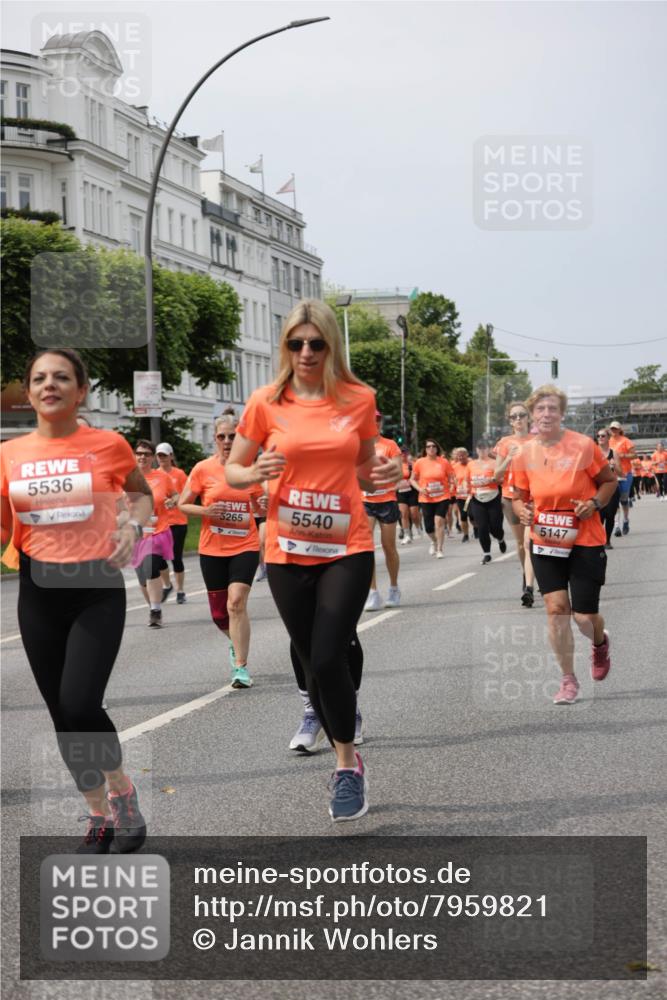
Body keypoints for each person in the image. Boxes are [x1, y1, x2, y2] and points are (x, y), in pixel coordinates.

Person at [225, 299, 399, 822]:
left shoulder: (357, 398)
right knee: (309, 663)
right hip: (286, 549)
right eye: (296, 343)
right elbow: (234, 469)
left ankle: (347, 767)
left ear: (330, 346)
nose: (305, 352)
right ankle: (336, 721)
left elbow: (367, 466)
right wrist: (254, 474)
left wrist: (383, 476)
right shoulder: (265, 401)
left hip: (346, 544)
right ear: (285, 348)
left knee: (327, 657)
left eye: (316, 343)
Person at [0, 349, 153, 853]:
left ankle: (123, 794)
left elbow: (141, 494)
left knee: (80, 702)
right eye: (39, 378)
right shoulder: (10, 454)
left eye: (62, 377)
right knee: (60, 713)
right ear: (28, 391)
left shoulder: (107, 445)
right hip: (38, 589)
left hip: (95, 587)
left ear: (80, 390)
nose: (50, 385)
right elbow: (3, 523)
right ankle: (98, 815)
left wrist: (133, 525)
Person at [511, 385, 617, 705]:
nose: (546, 414)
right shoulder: (524, 455)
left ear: (562, 413)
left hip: (585, 537)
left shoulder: (583, 446)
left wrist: (594, 504)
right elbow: (518, 497)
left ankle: (599, 643)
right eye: (540, 409)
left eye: (552, 409)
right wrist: (522, 511)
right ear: (532, 414)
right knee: (557, 610)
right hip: (546, 538)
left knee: (584, 617)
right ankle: (568, 680)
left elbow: (609, 482)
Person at [178, 413, 263, 688]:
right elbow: (182, 504)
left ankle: (241, 666)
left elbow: (262, 506)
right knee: (219, 614)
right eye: (222, 436)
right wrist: (205, 510)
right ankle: (236, 644)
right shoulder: (203, 469)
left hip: (245, 545)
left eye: (232, 436)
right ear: (215, 439)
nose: (227, 441)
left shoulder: (250, 469)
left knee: (236, 602)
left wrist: (264, 503)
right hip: (212, 548)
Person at [131, 440, 178, 628]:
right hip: (135, 535)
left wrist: (172, 501)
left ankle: (155, 610)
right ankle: (153, 604)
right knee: (142, 578)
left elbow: (175, 494)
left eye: (147, 454)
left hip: (157, 531)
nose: (143, 457)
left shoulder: (162, 477)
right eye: (139, 453)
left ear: (152, 458)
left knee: (150, 567)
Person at [494, 403, 536, 605]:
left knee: (531, 542)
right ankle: (525, 573)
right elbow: (496, 475)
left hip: (533, 497)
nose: (518, 419)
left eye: (521, 415)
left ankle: (530, 584)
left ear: (529, 418)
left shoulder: (537, 441)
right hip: (511, 497)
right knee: (521, 543)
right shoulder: (504, 443)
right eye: (514, 417)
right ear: (510, 421)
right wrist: (508, 459)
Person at [363, 411, 403, 611]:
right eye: (372, 419)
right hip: (365, 501)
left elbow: (398, 473)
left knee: (388, 546)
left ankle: (394, 588)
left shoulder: (390, 445)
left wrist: (385, 474)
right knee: (366, 547)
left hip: (386, 500)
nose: (375, 423)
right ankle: (373, 592)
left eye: (378, 420)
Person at [154, 442, 188, 604]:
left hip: (178, 521)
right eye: (159, 456)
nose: (162, 459)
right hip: (160, 523)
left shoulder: (179, 474)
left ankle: (180, 590)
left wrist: (174, 500)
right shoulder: (154, 475)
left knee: (176, 557)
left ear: (171, 456)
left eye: (164, 455)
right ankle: (167, 585)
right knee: (159, 558)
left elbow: (186, 495)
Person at [410, 438, 454, 559]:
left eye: (434, 446)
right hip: (426, 498)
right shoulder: (419, 462)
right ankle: (433, 541)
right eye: (428, 446)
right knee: (429, 527)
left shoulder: (444, 462)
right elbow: (412, 479)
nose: (431, 448)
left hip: (442, 496)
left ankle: (440, 549)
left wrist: (450, 485)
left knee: (439, 522)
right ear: (425, 449)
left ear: (437, 448)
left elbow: (451, 478)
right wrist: (419, 489)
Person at [469, 439, 506, 565]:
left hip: (493, 497)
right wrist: (468, 484)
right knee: (482, 527)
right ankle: (487, 554)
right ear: (476, 450)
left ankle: (500, 538)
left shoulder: (495, 463)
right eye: (479, 448)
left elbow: (502, 480)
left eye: (484, 447)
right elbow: (465, 480)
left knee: (496, 526)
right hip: (477, 498)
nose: (482, 450)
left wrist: (492, 480)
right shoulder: (471, 464)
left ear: (489, 449)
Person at [608, 421, 636, 535]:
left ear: (620, 430)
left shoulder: (626, 441)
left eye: (615, 429)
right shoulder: (608, 441)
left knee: (624, 501)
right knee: (614, 501)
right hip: (612, 475)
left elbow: (634, 455)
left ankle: (625, 520)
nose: (613, 431)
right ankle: (616, 526)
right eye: (612, 429)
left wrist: (623, 455)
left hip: (625, 474)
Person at [595, 428, 620, 549]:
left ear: (608, 438)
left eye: (603, 436)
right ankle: (599, 541)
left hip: (612, 487)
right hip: (597, 487)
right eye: (598, 436)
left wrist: (614, 466)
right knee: (599, 516)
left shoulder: (613, 453)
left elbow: (621, 473)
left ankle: (607, 541)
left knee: (610, 515)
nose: (600, 438)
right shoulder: (593, 452)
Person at [397, 448, 421, 544]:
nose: (403, 455)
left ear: (407, 454)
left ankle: (418, 527)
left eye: (405, 453)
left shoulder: (412, 464)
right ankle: (407, 534)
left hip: (412, 491)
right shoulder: (395, 465)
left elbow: (418, 477)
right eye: (401, 453)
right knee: (403, 514)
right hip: (400, 491)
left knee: (414, 514)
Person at [451, 447, 473, 543]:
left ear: (466, 455)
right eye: (459, 456)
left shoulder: (472, 465)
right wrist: (453, 486)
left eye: (462, 455)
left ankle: (476, 528)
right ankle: (466, 534)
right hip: (460, 495)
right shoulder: (455, 467)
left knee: (472, 515)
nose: (460, 457)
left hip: (472, 495)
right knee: (463, 516)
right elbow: (453, 479)